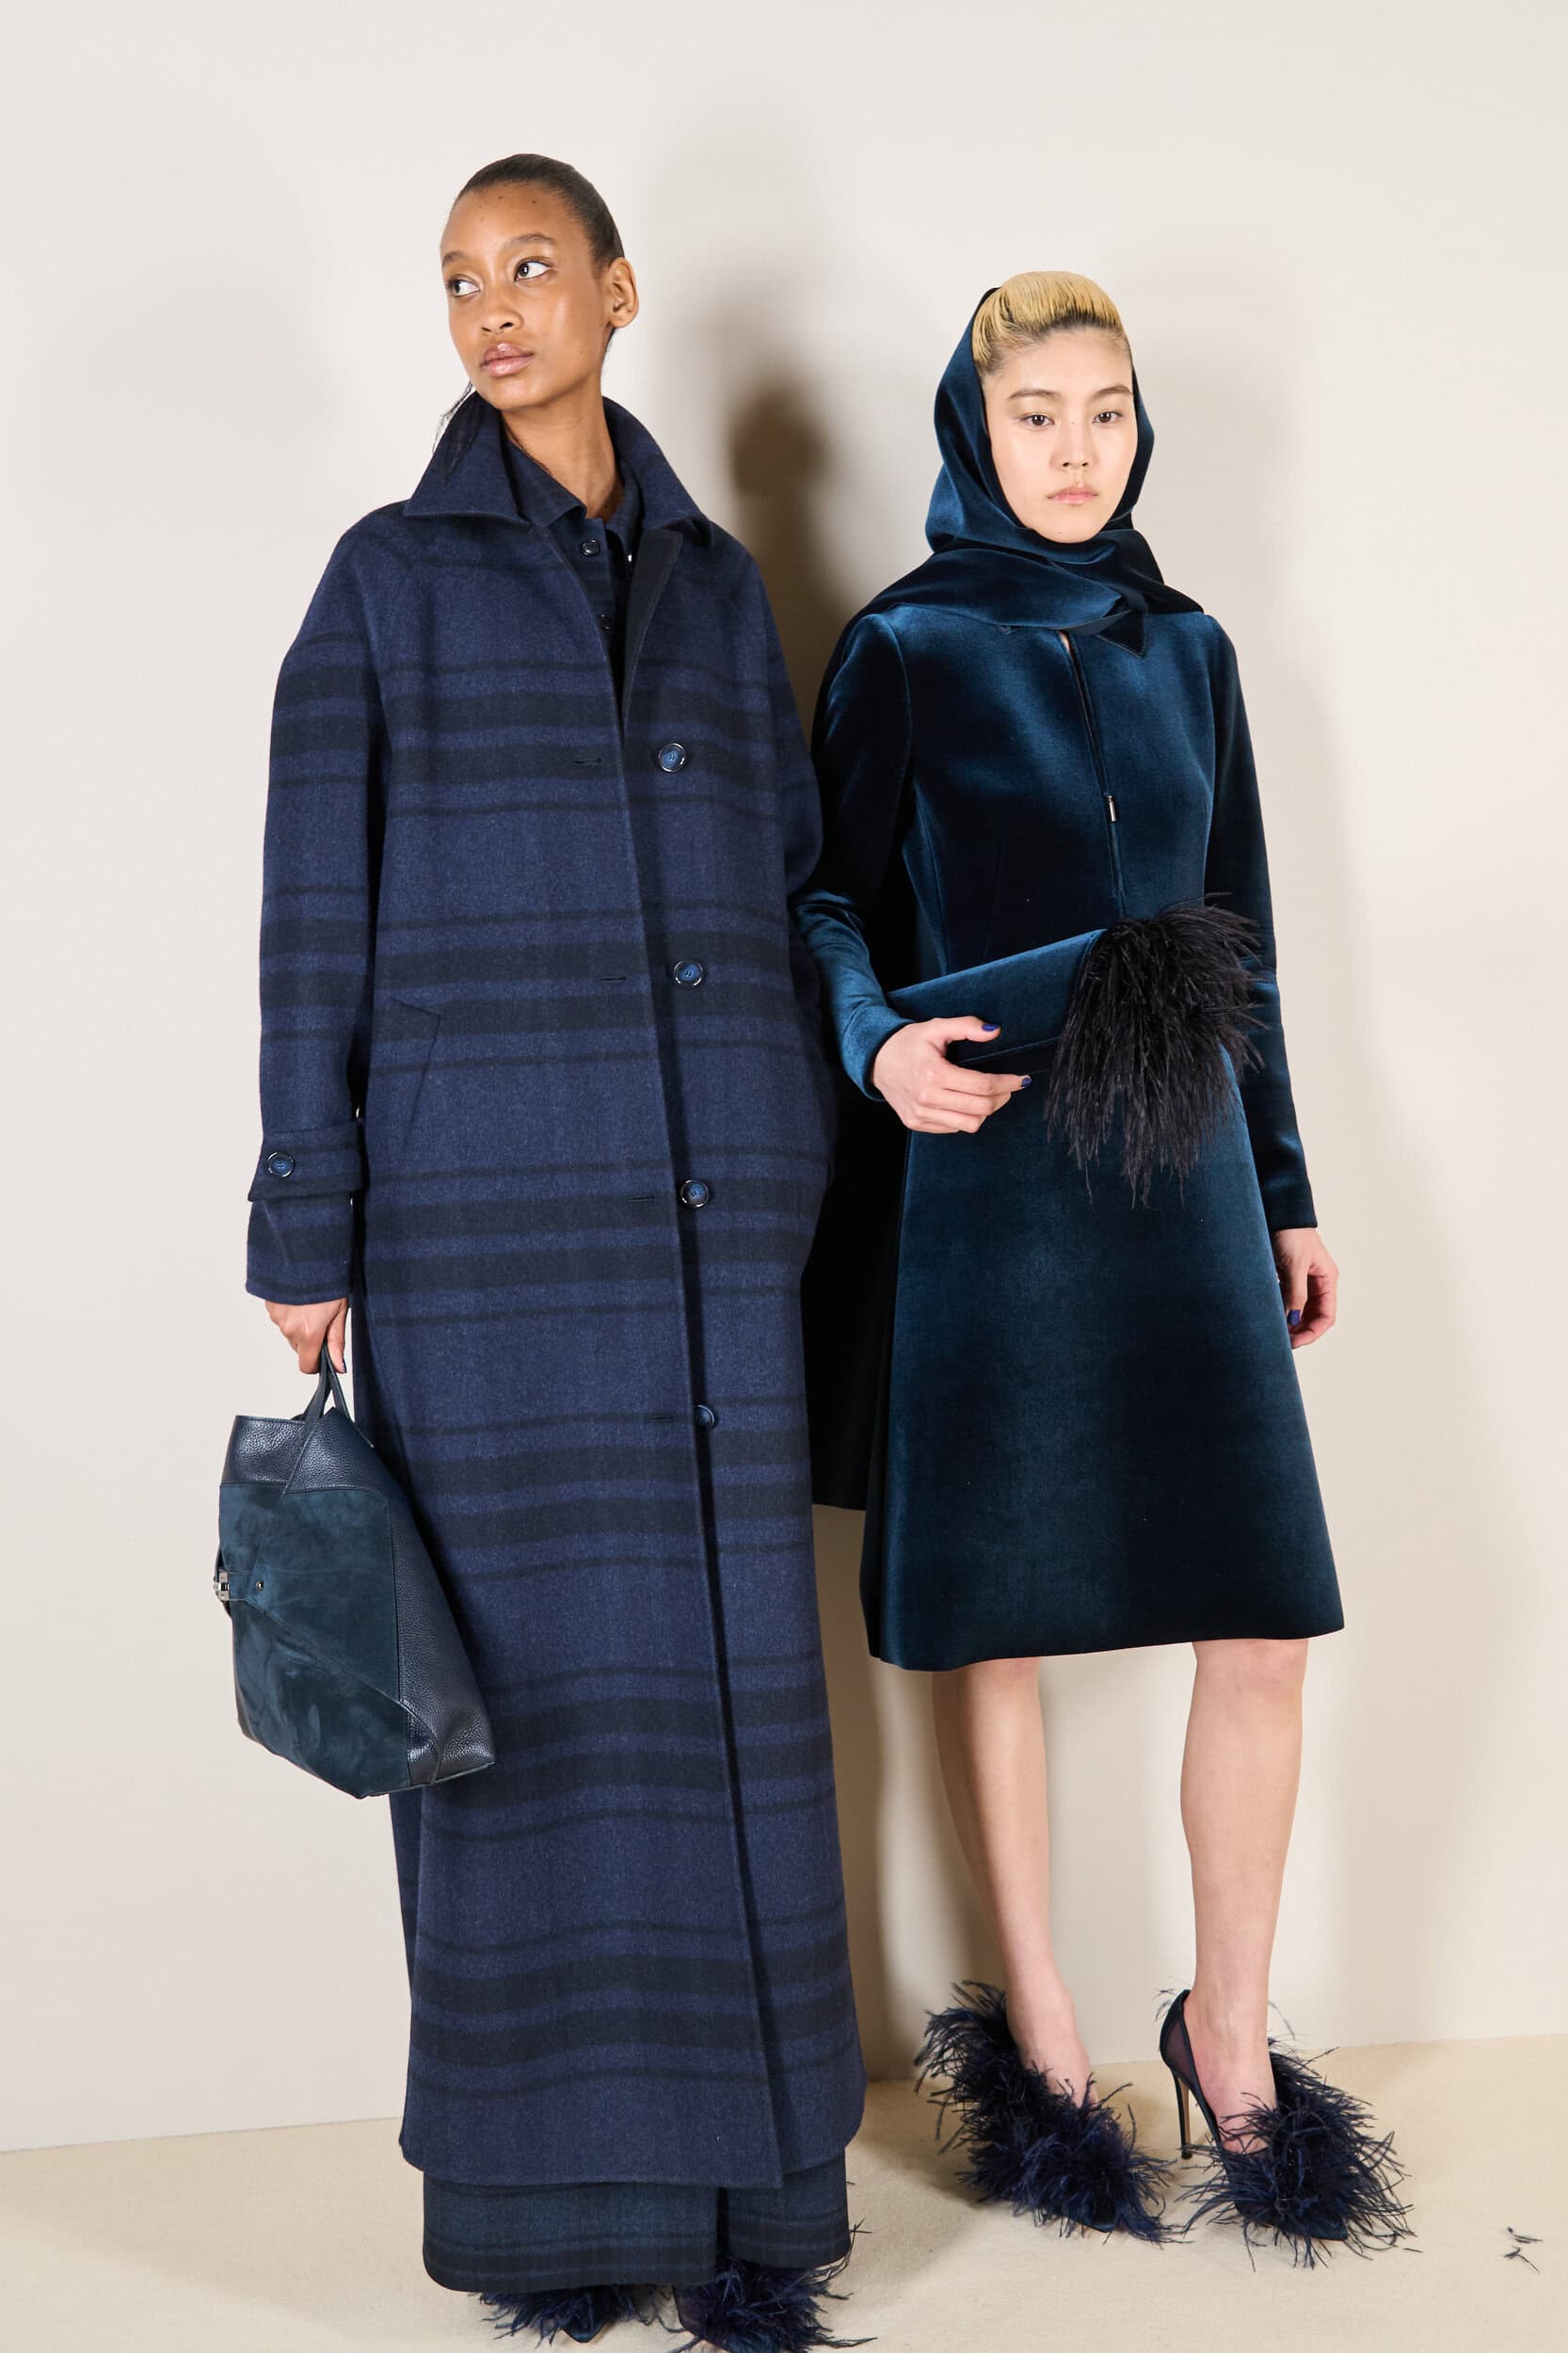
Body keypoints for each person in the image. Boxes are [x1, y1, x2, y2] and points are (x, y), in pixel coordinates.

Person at [246, 154, 864, 2349]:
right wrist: (304, 1216)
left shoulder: (715, 582)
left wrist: (801, 1125)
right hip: (481, 1232)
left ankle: (752, 2214)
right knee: (516, 1723)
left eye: (527, 268)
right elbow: (309, 920)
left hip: (710, 1235)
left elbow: (789, 877)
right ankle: (550, 2223)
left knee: (729, 1706)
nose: (491, 309)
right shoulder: (382, 583)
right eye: (455, 281)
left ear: (615, 289)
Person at [794, 273, 1407, 2261]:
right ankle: (1044, 2036)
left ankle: (1224, 2032)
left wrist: (1285, 1187)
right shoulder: (902, 644)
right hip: (988, 1159)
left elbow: (1241, 934)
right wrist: (873, 1045)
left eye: (1106, 411)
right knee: (1001, 1621)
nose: (1074, 449)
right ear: (974, 432)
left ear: (1141, 428)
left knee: (1261, 1615)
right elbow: (818, 896)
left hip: (1184, 1160)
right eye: (1036, 414)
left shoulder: (1191, 645)